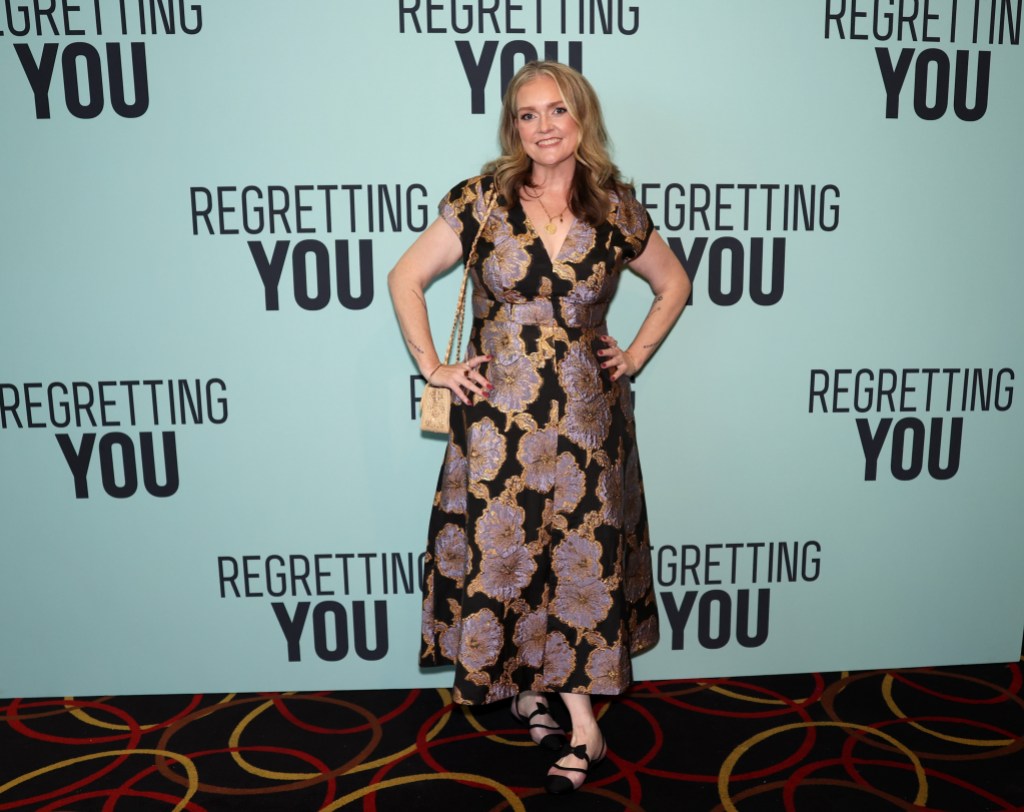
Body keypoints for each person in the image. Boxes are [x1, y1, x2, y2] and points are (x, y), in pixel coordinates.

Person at [388, 60, 690, 794]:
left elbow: (674, 283)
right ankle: (530, 688)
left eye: (558, 110)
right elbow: (406, 277)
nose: (544, 126)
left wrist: (636, 354)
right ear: (512, 126)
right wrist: (435, 367)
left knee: (581, 561)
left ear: (581, 118)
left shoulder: (615, 206)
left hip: (589, 423)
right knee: (510, 556)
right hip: (499, 423)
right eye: (528, 114)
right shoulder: (483, 201)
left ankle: (583, 727)